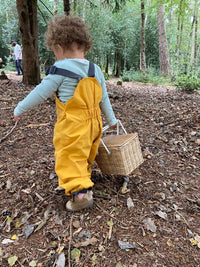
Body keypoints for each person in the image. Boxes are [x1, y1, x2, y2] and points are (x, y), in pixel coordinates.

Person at [13, 15, 117, 211]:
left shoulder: (59, 69)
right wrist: (111, 120)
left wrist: (19, 108)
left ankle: (81, 195)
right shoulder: (96, 70)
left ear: (58, 48)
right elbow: (104, 99)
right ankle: (81, 179)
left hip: (73, 124)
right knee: (85, 154)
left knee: (69, 155)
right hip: (94, 124)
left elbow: (39, 93)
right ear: (85, 47)